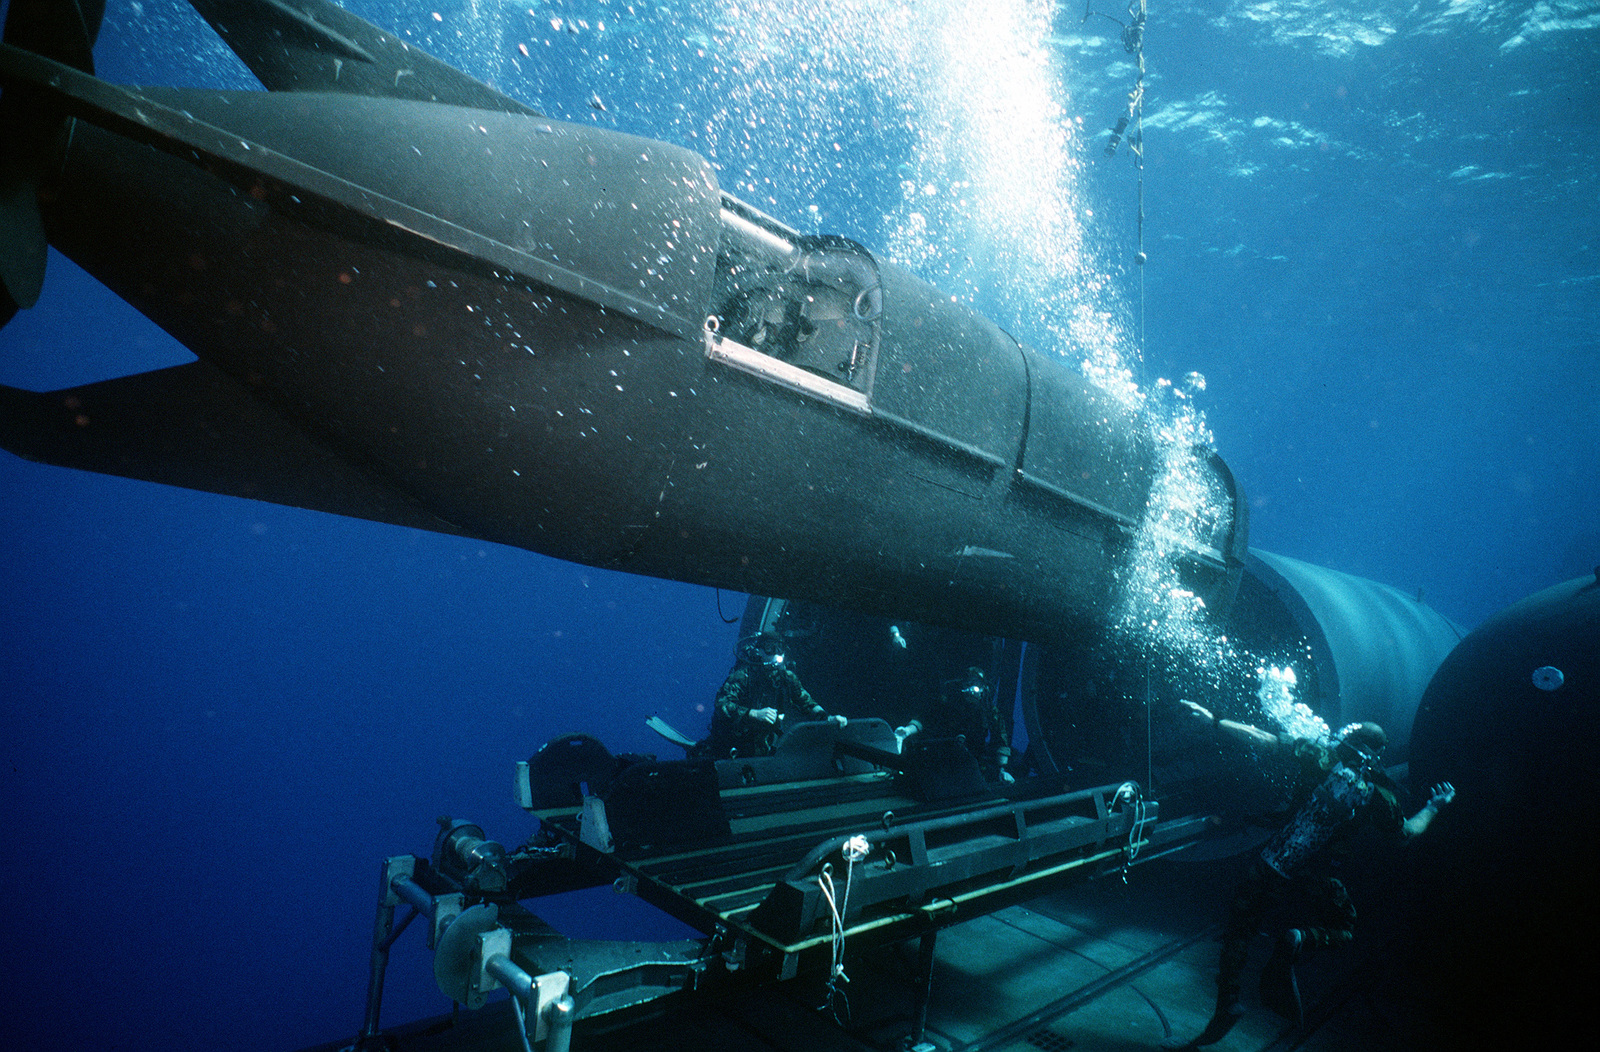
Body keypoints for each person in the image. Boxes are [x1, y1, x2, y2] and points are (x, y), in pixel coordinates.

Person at [1163, 700, 1455, 1049]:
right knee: (1344, 927)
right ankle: (1301, 938)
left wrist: (1215, 721)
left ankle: (1228, 1004)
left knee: (1238, 932)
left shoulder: (1320, 755)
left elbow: (1262, 738)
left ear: (1351, 738)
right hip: (1316, 877)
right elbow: (1405, 835)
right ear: (1376, 753)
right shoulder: (1380, 796)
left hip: (1273, 864)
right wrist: (1434, 807)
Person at [693, 633, 845, 759]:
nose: (776, 654)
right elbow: (722, 704)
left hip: (763, 744)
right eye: (770, 648)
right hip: (735, 742)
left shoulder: (787, 678)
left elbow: (806, 702)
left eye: (780, 649)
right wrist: (753, 713)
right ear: (759, 651)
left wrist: (828, 719)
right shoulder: (743, 676)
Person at [896, 667, 1014, 782]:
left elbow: (1000, 738)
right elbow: (926, 718)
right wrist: (907, 731)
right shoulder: (950, 705)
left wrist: (1002, 770)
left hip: (975, 761)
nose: (972, 688)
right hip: (944, 758)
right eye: (968, 683)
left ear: (984, 687)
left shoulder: (989, 711)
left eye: (976, 683)